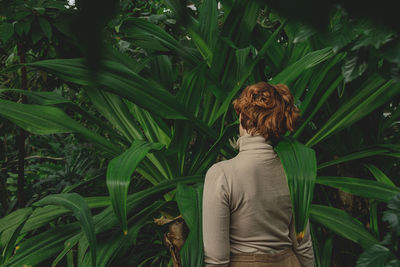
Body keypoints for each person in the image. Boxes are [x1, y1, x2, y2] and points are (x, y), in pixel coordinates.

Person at [202, 82, 314, 267]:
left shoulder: (221, 174)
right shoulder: (293, 171)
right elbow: (303, 244)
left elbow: (216, 259)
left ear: (241, 117)